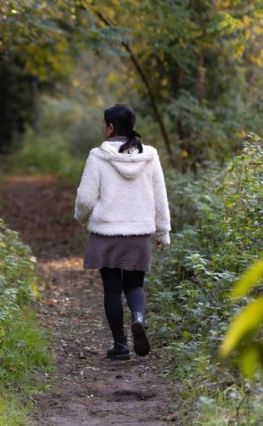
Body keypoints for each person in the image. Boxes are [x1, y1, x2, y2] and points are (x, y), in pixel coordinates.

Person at [74, 104, 170, 360]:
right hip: (139, 232)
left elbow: (84, 199)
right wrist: (162, 232)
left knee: (112, 289)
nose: (101, 127)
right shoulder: (149, 156)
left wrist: (82, 219)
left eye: (103, 123)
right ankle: (138, 317)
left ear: (111, 127)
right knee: (135, 285)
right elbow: (160, 197)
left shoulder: (98, 156)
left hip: (107, 233)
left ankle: (120, 345)